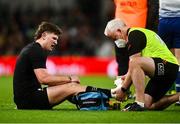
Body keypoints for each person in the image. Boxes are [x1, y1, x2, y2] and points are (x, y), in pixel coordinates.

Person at [13, 21, 114, 109]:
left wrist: (67, 83)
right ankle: (112, 93)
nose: (56, 42)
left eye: (57, 39)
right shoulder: (36, 50)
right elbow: (44, 79)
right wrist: (69, 79)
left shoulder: (34, 49)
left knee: (70, 86)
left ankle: (98, 99)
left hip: (27, 98)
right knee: (71, 87)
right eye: (54, 38)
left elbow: (46, 81)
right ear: (43, 35)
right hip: (28, 100)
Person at [104, 18, 180, 111]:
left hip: (167, 65)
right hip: (164, 70)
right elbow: (134, 67)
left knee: (135, 62)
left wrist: (123, 89)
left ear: (119, 31)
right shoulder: (137, 33)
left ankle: (138, 103)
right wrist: (127, 76)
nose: (115, 42)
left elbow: (135, 62)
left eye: (114, 38)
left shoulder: (134, 35)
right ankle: (177, 97)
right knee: (148, 105)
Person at [158, 0, 180, 105]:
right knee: (177, 59)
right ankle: (178, 93)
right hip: (178, 21)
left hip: (164, 22)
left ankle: (162, 91)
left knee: (165, 59)